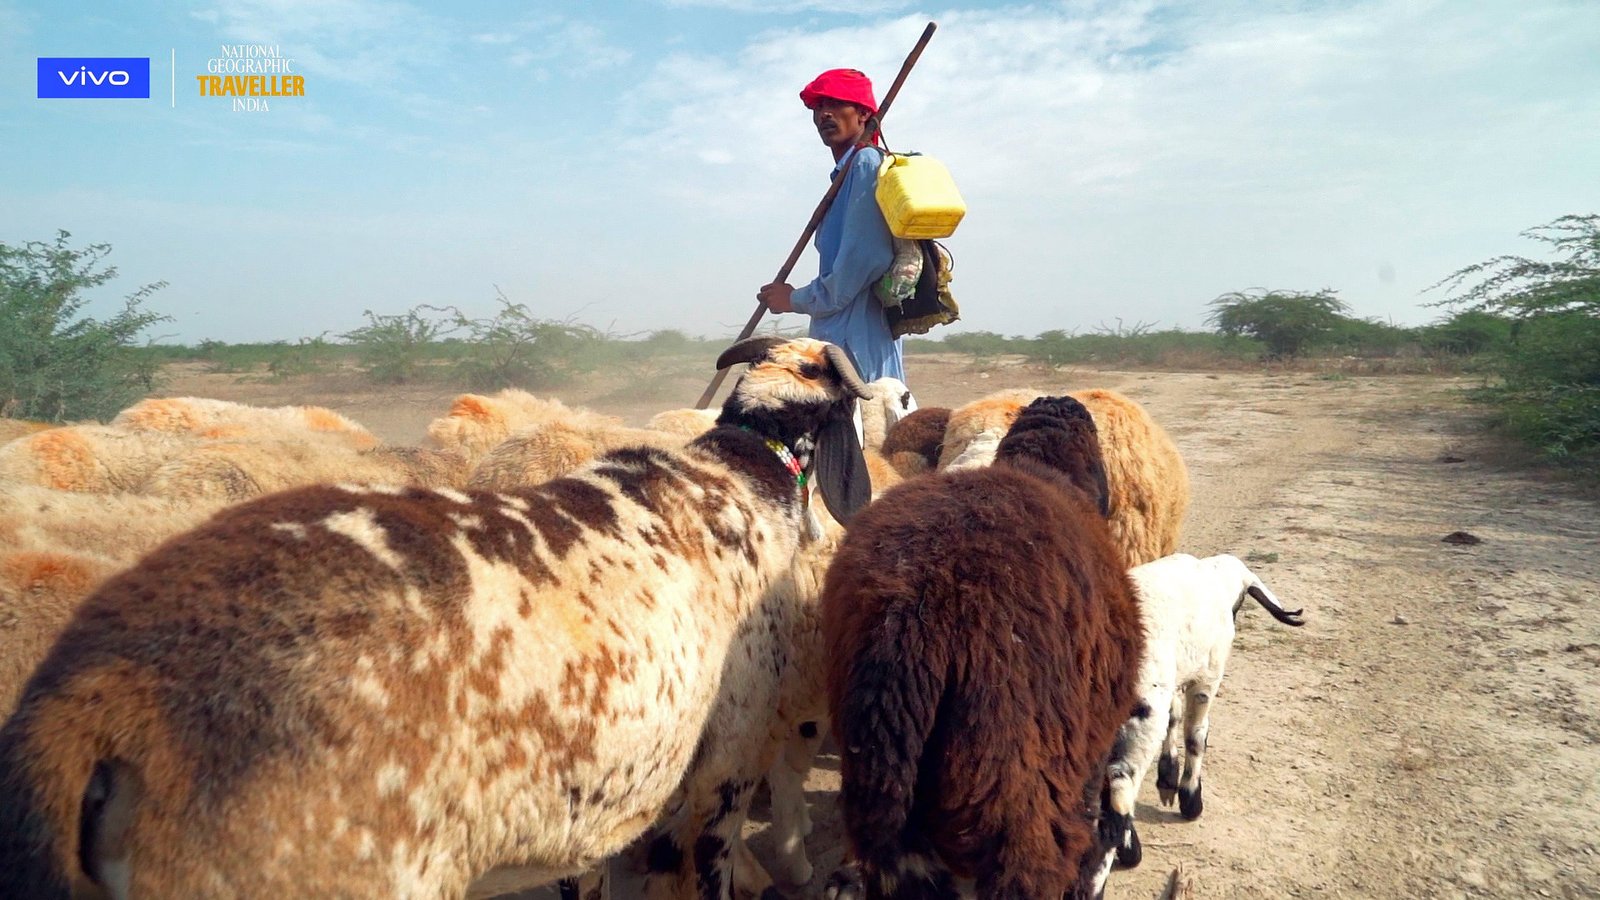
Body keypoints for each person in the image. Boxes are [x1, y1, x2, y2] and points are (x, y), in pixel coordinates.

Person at [757, 68, 905, 383]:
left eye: (837, 103)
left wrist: (794, 299)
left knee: (865, 415)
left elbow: (862, 261)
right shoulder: (844, 172)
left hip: (858, 347)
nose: (825, 113)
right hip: (839, 339)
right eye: (819, 106)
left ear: (864, 114)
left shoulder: (865, 164)